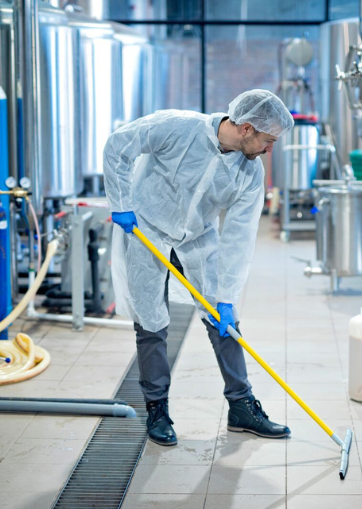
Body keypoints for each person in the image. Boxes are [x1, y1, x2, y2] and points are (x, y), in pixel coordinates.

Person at [103, 90, 294, 446]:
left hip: (197, 238)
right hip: (148, 228)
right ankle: (156, 408)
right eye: (269, 141)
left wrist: (227, 296)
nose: (270, 150)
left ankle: (241, 407)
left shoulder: (250, 172)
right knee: (151, 322)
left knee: (225, 322)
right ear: (248, 128)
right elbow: (119, 146)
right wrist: (121, 203)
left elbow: (239, 237)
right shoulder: (176, 127)